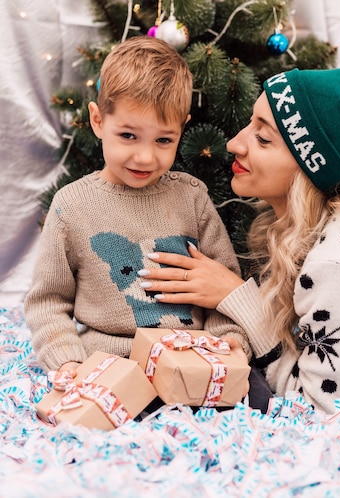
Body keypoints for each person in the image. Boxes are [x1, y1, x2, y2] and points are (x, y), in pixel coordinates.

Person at [136, 41, 340, 429]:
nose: (234, 143)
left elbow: (320, 414)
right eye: (251, 124)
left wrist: (238, 300)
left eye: (263, 138)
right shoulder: (321, 227)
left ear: (309, 168)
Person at [24, 35, 250, 376]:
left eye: (163, 140)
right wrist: (66, 359)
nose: (145, 157)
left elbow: (222, 285)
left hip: (191, 359)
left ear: (181, 129)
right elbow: (48, 300)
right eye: (128, 135)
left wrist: (229, 339)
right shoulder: (71, 206)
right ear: (98, 121)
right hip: (108, 363)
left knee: (257, 397)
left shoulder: (192, 198)